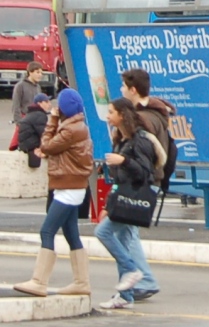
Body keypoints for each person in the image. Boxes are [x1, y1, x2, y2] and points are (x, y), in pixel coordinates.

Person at [14, 88, 94, 297]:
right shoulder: (77, 127)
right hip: (72, 187)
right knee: (71, 234)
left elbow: (47, 145)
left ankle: (39, 281)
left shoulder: (69, 130)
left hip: (68, 188)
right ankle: (81, 281)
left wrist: (52, 120)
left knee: (47, 231)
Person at [97, 97, 166, 310]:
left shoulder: (140, 140)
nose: (108, 116)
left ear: (122, 115)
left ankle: (132, 270)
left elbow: (146, 172)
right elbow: (119, 179)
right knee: (123, 242)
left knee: (103, 233)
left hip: (134, 198)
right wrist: (108, 205)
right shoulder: (121, 139)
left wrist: (124, 161)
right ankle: (126, 296)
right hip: (123, 196)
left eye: (111, 112)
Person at [117, 68, 173, 301]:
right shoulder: (158, 114)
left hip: (141, 181)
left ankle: (144, 279)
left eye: (123, 87)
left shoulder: (141, 119)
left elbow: (142, 155)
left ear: (132, 90)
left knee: (126, 232)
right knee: (127, 232)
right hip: (150, 179)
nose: (120, 90)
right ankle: (139, 278)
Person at [17, 93, 52, 167]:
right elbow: (44, 134)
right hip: (32, 148)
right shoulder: (39, 115)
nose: (49, 104)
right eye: (46, 101)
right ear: (39, 103)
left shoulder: (32, 113)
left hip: (25, 146)